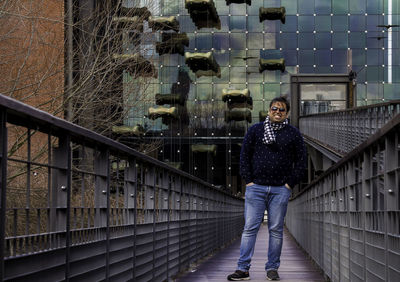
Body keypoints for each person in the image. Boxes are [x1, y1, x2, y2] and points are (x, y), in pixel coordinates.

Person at [227, 96, 307, 281]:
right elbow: (244, 156)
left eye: (281, 110)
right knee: (249, 228)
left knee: (276, 230)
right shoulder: (256, 130)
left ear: (286, 113)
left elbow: (302, 161)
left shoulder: (293, 134)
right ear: (269, 110)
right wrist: (249, 181)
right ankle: (243, 269)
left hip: (280, 189)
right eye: (274, 109)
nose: (277, 112)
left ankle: (272, 269)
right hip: (256, 188)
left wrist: (290, 184)